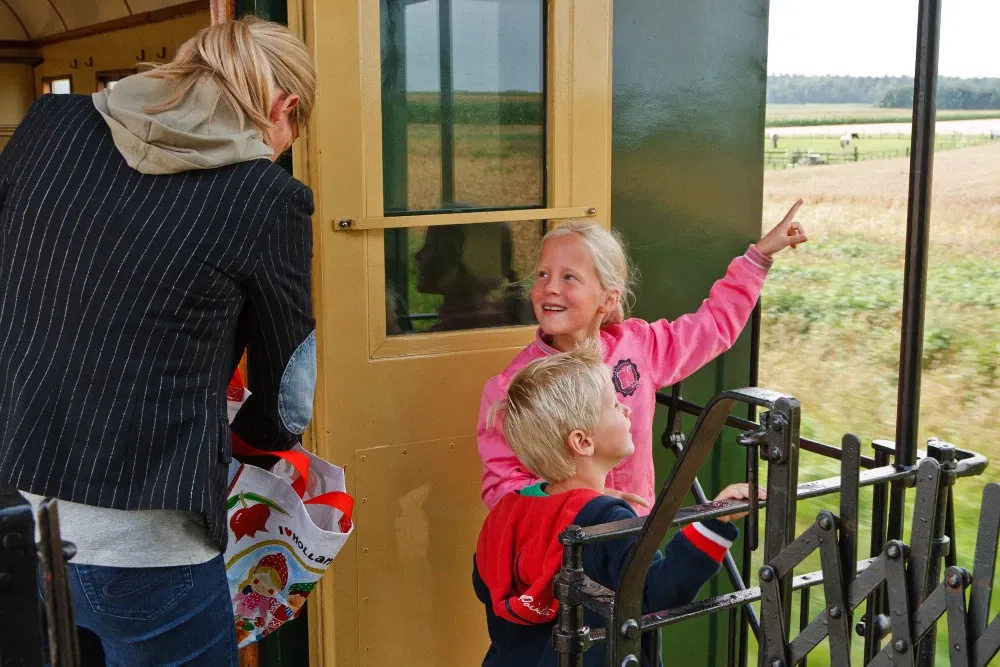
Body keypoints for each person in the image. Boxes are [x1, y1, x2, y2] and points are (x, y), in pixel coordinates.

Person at [0, 17, 316, 666]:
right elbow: (288, 398)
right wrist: (242, 443)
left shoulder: (48, 125)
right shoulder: (268, 198)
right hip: (146, 539)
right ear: (283, 107)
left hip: (16, 503)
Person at [477, 202, 807, 512]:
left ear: (608, 298)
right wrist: (581, 500)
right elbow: (503, 490)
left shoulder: (637, 347)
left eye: (569, 277)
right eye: (543, 274)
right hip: (562, 552)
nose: (549, 287)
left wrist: (758, 257)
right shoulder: (512, 387)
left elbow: (713, 326)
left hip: (635, 535)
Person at [473, 343, 762, 666]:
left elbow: (484, 583)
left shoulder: (506, 512)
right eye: (613, 404)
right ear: (583, 442)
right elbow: (658, 593)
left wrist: (593, 500)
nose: (626, 409)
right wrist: (715, 520)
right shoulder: (604, 520)